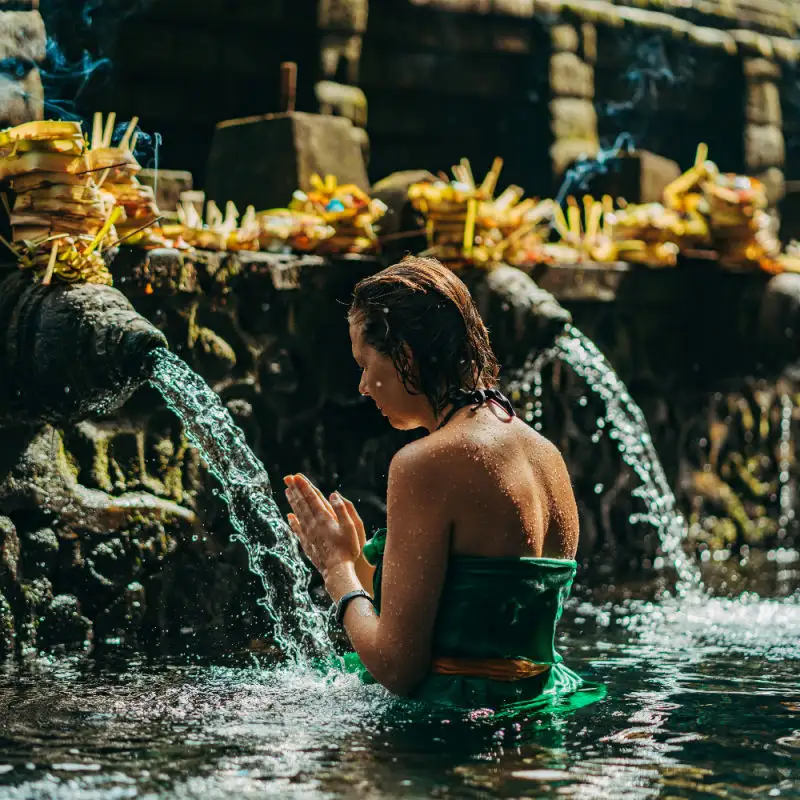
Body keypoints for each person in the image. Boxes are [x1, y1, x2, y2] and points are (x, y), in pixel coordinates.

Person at [284, 256, 600, 711]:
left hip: (455, 731)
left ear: (405, 356)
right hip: (539, 711)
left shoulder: (425, 463)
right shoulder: (545, 454)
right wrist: (357, 563)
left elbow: (397, 667)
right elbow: (472, 615)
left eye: (365, 363)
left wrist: (336, 573)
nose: (362, 386)